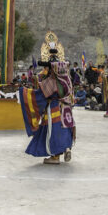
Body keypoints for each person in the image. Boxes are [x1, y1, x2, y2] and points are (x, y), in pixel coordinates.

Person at [19, 32, 75, 164]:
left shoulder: (51, 80)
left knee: (54, 131)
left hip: (54, 107)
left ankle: (55, 157)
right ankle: (66, 148)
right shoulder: (67, 79)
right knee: (65, 128)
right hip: (66, 109)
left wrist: (23, 92)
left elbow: (39, 95)